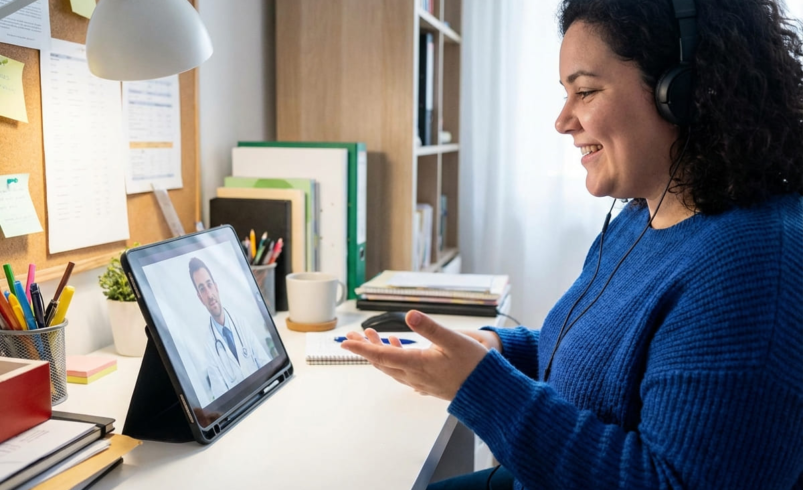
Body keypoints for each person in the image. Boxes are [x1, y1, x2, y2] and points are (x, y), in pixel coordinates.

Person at [341, 0, 803, 488]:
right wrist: (499, 348)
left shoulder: (752, 267)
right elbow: (611, 362)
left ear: (684, 92)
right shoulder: (643, 215)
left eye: (585, 91)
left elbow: (668, 482)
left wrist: (481, 385)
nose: (563, 121)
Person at [188, 257, 271, 399]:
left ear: (216, 287)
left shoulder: (241, 322)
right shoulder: (208, 347)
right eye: (202, 289)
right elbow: (221, 397)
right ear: (200, 297)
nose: (209, 294)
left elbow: (266, 366)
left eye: (209, 285)